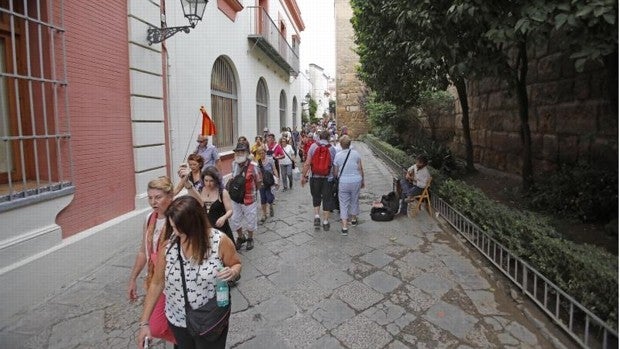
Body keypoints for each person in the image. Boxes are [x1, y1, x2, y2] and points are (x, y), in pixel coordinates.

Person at [137, 196, 242, 349]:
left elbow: (236, 264)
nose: (176, 234)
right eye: (173, 227)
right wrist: (144, 323)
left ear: (195, 225)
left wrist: (232, 272)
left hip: (210, 318)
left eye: (180, 229)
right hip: (178, 320)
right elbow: (157, 283)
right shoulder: (168, 248)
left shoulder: (219, 241)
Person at [127, 176, 176, 345]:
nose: (153, 202)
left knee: (165, 325)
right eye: (150, 198)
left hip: (175, 282)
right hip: (154, 281)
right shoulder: (149, 219)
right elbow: (143, 252)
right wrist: (133, 278)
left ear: (170, 197)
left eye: (158, 197)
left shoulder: (178, 218)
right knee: (156, 327)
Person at [182, 166, 234, 244]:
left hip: (220, 229)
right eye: (206, 180)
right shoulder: (200, 190)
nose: (208, 184)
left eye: (211, 181)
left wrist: (224, 218)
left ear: (216, 180)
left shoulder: (222, 192)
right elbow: (192, 198)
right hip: (204, 229)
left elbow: (230, 210)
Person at [301, 130, 337, 231]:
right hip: (327, 178)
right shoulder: (332, 149)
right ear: (329, 138)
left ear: (319, 137)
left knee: (316, 196)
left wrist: (303, 176)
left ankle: (317, 216)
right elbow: (334, 165)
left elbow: (307, 163)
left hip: (315, 177)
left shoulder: (313, 146)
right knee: (327, 198)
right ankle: (325, 222)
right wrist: (335, 176)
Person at [230, 142, 262, 251]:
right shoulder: (234, 164)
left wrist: (253, 192)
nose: (239, 153)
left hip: (249, 198)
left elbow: (258, 181)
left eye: (242, 151)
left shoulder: (254, 166)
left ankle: (250, 238)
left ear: (247, 153)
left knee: (250, 220)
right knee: (234, 219)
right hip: (236, 198)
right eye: (237, 151)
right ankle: (240, 237)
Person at [333, 135, 364, 236]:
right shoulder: (356, 154)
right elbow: (360, 169)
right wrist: (362, 180)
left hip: (344, 182)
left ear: (341, 145)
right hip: (356, 180)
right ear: (350, 144)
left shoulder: (338, 155)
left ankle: (345, 227)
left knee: (343, 203)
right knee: (354, 199)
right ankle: (354, 219)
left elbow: (335, 172)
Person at [255, 147, 279, 223]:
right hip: (262, 183)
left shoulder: (270, 160)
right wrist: (258, 182)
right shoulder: (258, 162)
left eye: (263, 153)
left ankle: (271, 205)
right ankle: (264, 214)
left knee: (269, 198)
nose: (262, 154)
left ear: (265, 152)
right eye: (260, 153)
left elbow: (274, 169)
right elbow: (258, 173)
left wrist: (277, 178)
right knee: (263, 199)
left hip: (270, 182)